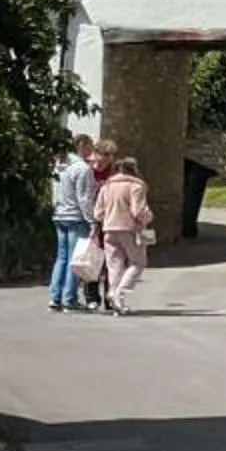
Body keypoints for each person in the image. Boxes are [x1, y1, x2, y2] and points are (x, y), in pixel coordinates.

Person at [91, 154, 155, 316]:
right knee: (138, 262)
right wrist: (148, 216)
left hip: (109, 229)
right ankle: (119, 293)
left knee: (114, 265)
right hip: (129, 229)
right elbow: (138, 211)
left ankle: (116, 299)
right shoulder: (136, 186)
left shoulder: (106, 186)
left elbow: (98, 213)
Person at [49, 134, 99, 312]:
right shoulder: (82, 169)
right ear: (81, 145)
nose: (92, 150)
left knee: (61, 258)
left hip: (60, 215)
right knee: (74, 259)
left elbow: (54, 191)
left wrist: (56, 208)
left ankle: (55, 298)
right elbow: (84, 197)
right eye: (90, 146)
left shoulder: (60, 166)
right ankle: (69, 298)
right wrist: (92, 220)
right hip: (76, 217)